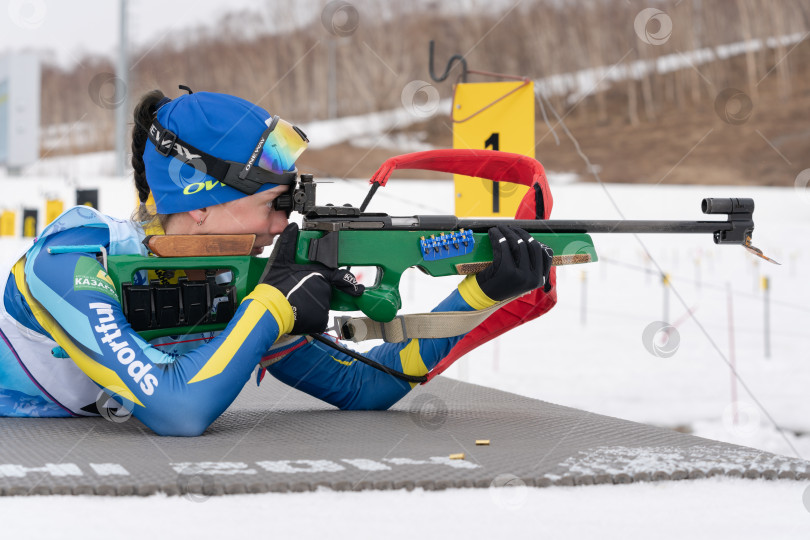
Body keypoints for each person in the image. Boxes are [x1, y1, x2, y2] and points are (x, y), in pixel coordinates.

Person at [0, 90, 552, 436]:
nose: (281, 226)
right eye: (271, 205)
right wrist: (269, 307)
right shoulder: (73, 256)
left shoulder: (237, 281)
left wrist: (481, 294)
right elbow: (177, 412)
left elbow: (367, 387)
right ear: (200, 202)